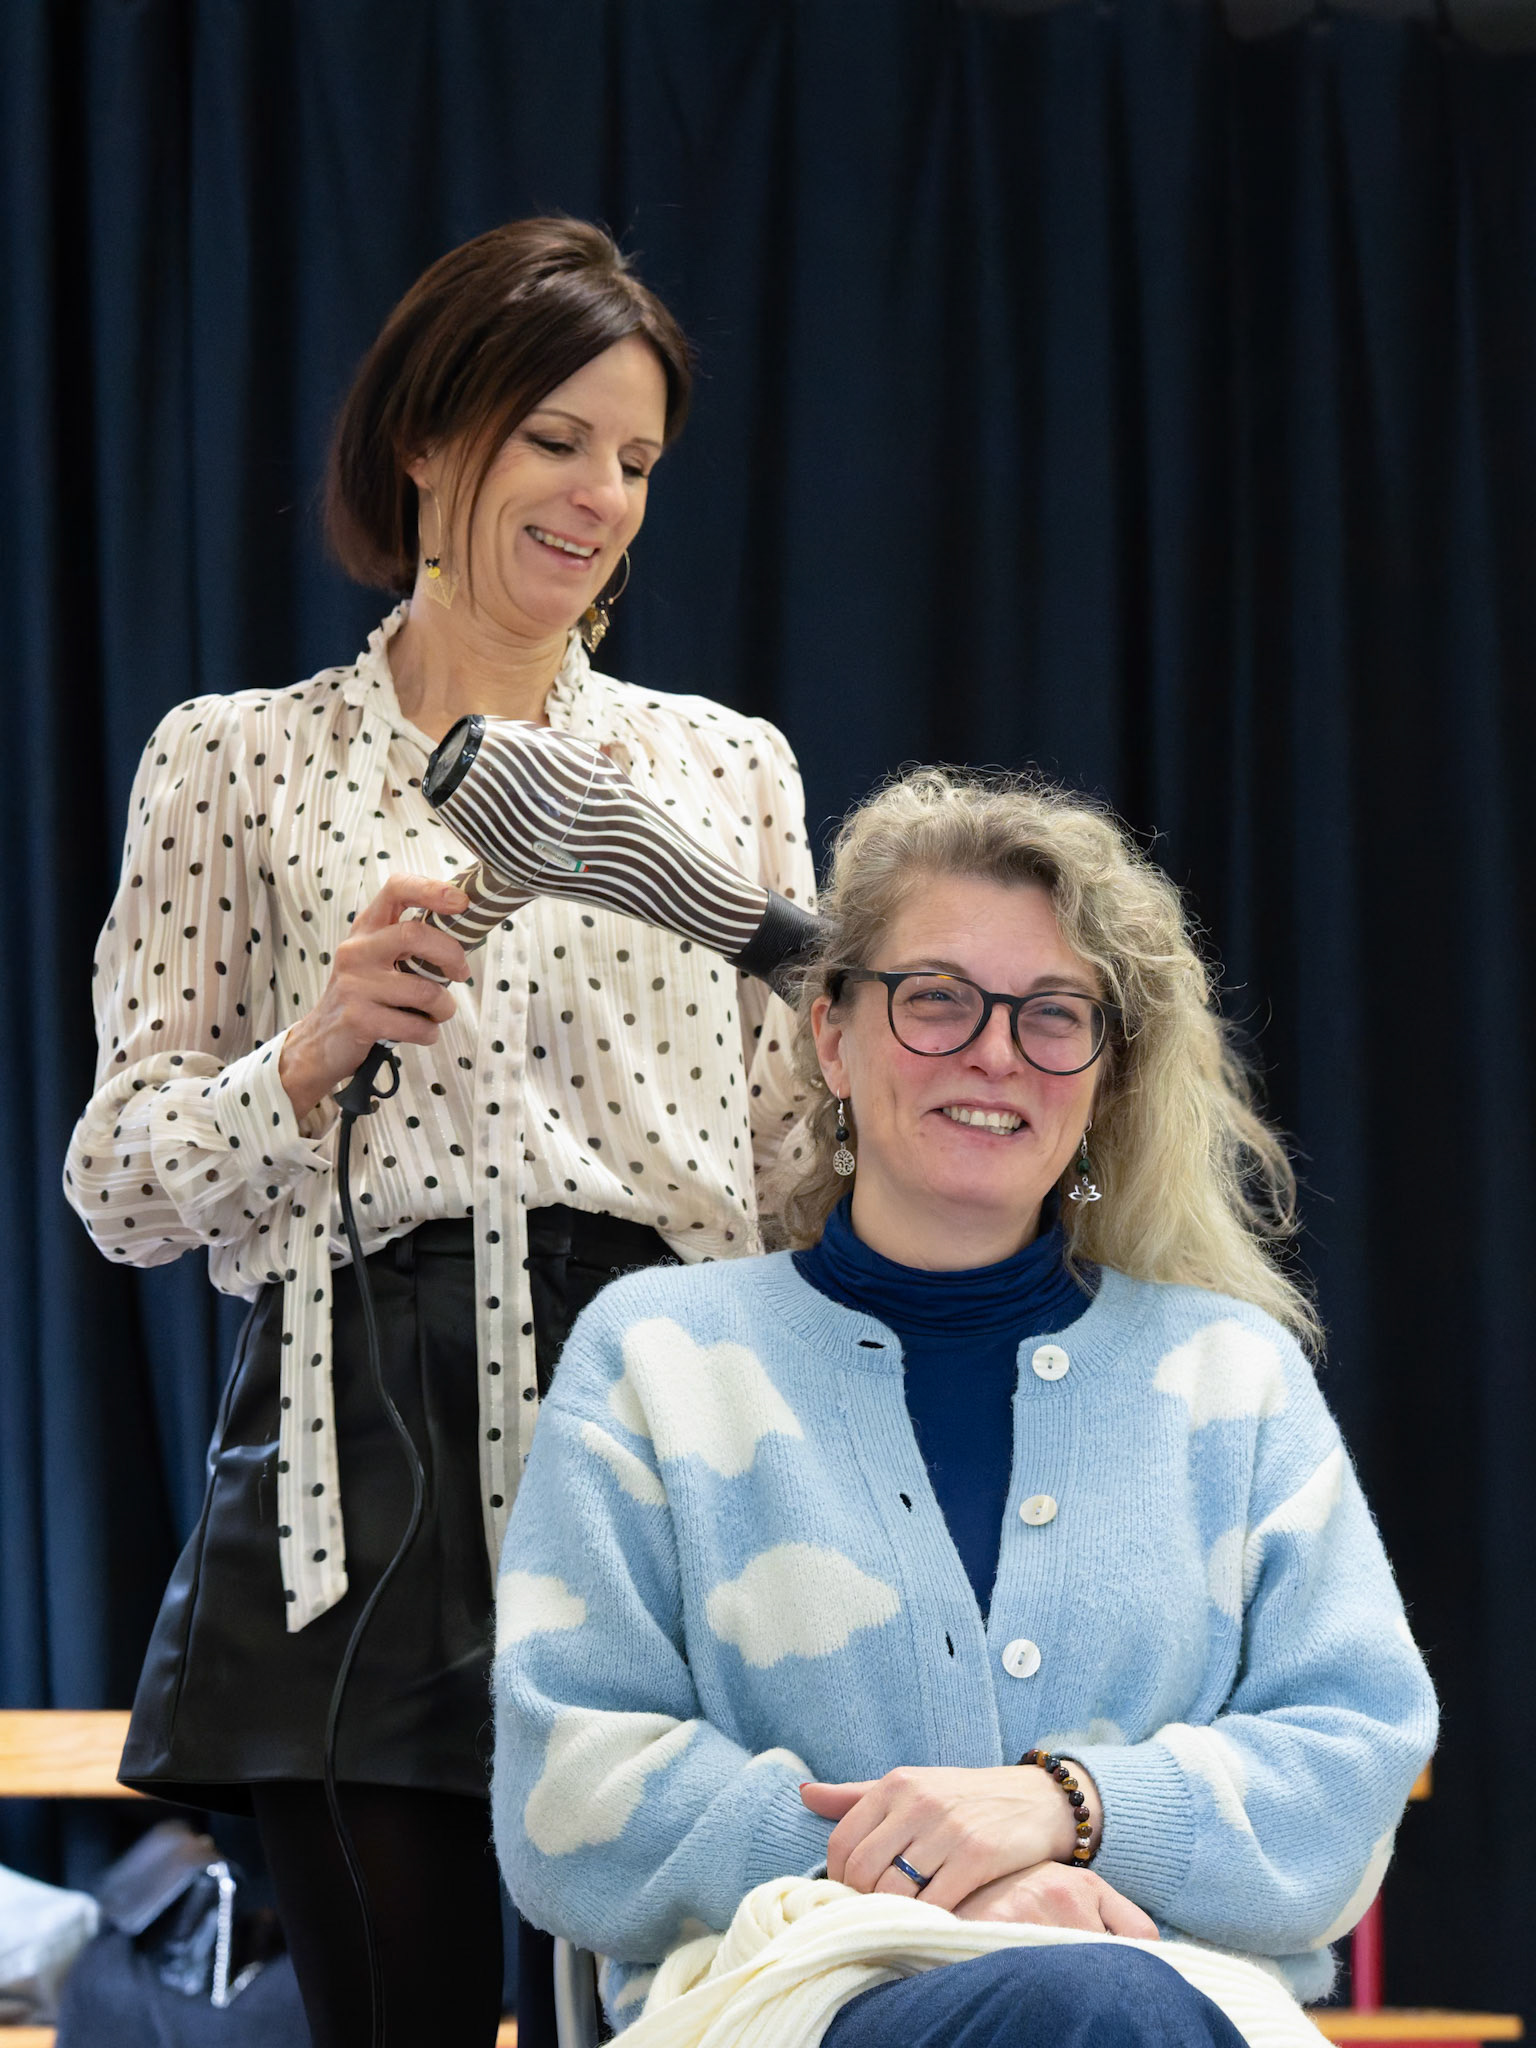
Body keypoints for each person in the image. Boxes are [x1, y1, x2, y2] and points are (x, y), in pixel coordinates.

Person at [63, 217, 814, 2048]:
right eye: (555, 439)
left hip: (664, 1431)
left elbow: (799, 1171)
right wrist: (308, 1053)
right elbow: (120, 1182)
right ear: (424, 435)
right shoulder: (234, 757)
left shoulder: (723, 768)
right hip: (357, 1452)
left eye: (637, 460)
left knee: (687, 2023)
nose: (601, 497)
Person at [491, 768, 1437, 2047]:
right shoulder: (658, 1358)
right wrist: (952, 1881)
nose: (996, 1051)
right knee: (1093, 2006)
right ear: (833, 1035)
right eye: (936, 997)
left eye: (1053, 1014)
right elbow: (574, 1784)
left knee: (1109, 2007)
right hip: (794, 1996)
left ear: (1102, 1074)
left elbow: (1353, 1756)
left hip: (1174, 2006)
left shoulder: (1235, 1374)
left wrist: (1070, 1805)